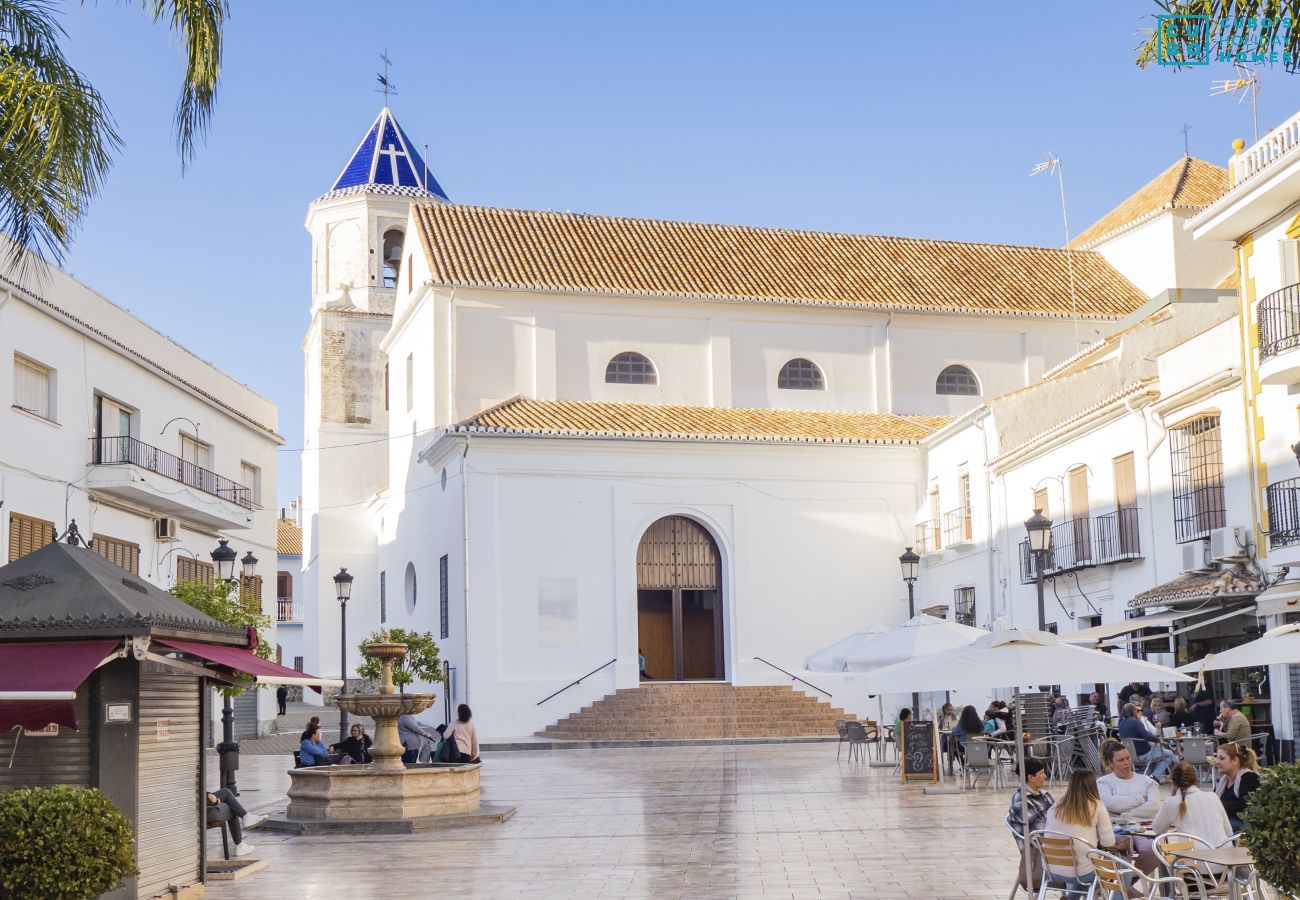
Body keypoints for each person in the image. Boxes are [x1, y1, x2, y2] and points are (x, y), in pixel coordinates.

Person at [1042, 769, 1116, 887]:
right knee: (1121, 869)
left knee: (1083, 862)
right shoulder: (1097, 806)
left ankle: (1070, 898)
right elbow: (1109, 843)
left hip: (1051, 871)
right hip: (1083, 873)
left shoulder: (1055, 807)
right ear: (1093, 786)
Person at [1097, 738, 1161, 874]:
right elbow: (1108, 802)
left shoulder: (1146, 781)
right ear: (1110, 763)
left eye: (1128, 758)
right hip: (1116, 830)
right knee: (1123, 847)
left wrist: (1123, 813)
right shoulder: (1103, 782)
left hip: (1144, 829)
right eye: (1120, 760)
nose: (1126, 763)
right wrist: (1139, 799)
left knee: (1153, 850)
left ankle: (1129, 881)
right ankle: (1123, 886)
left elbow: (1154, 807)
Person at [1153, 761, 1231, 848]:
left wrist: (1173, 796)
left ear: (1174, 783)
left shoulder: (1171, 802)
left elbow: (1158, 829)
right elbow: (1228, 831)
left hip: (1194, 858)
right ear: (1195, 779)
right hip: (1224, 855)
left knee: (1161, 851)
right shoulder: (1213, 796)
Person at [1007, 757, 1054, 890]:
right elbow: (1043, 832)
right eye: (1041, 773)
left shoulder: (1044, 794)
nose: (1045, 776)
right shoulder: (1021, 802)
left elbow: (1059, 817)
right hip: (1040, 854)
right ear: (1030, 777)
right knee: (1088, 868)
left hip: (1054, 846)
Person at [1117, 703, 1176, 778]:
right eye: (1136, 710)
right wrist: (1158, 740)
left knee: (1155, 758)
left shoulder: (1121, 724)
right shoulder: (1136, 723)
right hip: (1144, 755)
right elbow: (1146, 735)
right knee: (1169, 754)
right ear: (1134, 712)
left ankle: (1146, 777)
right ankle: (1156, 776)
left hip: (1131, 755)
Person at [1213, 743, 1261, 831]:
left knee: (1214, 825)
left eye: (1222, 758)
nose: (1217, 762)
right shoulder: (1221, 781)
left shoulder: (1249, 777)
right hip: (1228, 819)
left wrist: (1218, 805)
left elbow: (1243, 806)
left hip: (1247, 823)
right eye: (1217, 758)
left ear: (1235, 760)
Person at [205, 788, 266, 858]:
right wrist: (207, 795)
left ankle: (246, 817)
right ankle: (239, 844)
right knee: (226, 793)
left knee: (230, 802)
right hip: (198, 804)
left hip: (196, 803)